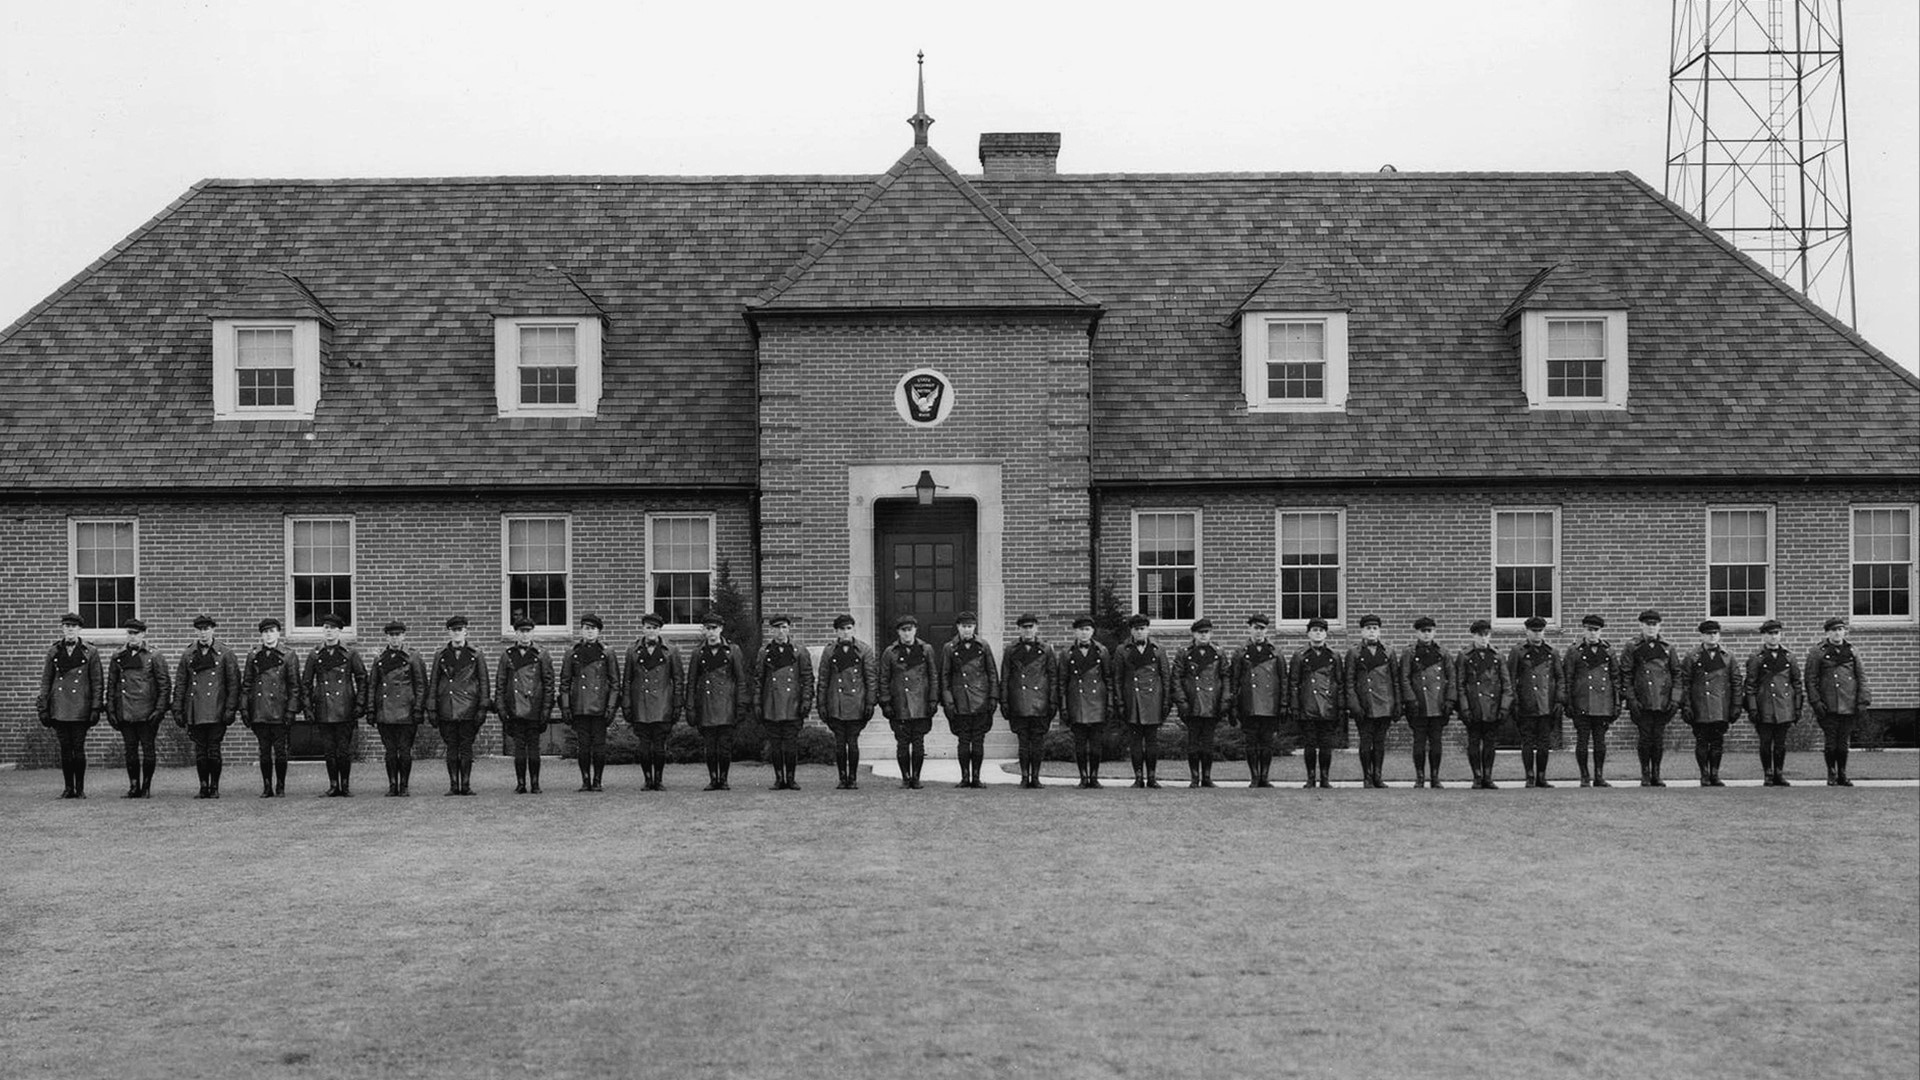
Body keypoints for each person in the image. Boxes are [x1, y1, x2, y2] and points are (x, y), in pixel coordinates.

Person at [173, 614, 240, 798]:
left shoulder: (225, 653)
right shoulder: (188, 654)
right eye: (199, 630)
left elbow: (233, 684)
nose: (203, 633)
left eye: (206, 629)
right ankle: (203, 786)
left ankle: (215, 787)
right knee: (200, 751)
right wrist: (178, 709)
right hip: (195, 710)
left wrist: (230, 709)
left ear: (213, 630)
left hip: (217, 710)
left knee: (214, 750)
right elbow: (181, 684)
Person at [38, 612, 104, 799]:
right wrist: (43, 707)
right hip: (59, 706)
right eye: (66, 626)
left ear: (79, 629)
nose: (70, 630)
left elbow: (97, 681)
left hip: (80, 707)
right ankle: (68, 788)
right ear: (62, 628)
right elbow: (46, 681)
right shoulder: (54, 651)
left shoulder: (90, 651)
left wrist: (95, 707)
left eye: (73, 627)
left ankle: (80, 788)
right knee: (65, 748)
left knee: (78, 747)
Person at [303, 613, 368, 797]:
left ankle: (345, 785)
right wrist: (308, 707)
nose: (329, 632)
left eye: (332, 628)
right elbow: (306, 683)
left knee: (343, 750)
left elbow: (362, 678)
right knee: (329, 750)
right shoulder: (315, 655)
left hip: (345, 708)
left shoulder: (350, 654)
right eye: (326, 628)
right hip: (323, 708)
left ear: (340, 631)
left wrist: (359, 703)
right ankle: (333, 785)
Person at [684, 611, 750, 791]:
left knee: (724, 746)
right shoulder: (698, 652)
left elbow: (741, 679)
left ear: (721, 629)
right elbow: (691, 682)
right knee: (710, 746)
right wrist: (690, 706)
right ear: (704, 631)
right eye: (708, 629)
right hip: (706, 705)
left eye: (714, 628)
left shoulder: (732, 651)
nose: (711, 632)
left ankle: (724, 778)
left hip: (726, 705)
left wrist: (741, 704)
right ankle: (713, 778)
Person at [105, 618, 170, 799]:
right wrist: (111, 709)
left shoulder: (154, 656)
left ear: (143, 634)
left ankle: (146, 787)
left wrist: (159, 710)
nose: (132, 637)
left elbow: (164, 685)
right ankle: (134, 786)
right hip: (125, 711)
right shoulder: (118, 656)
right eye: (130, 633)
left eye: (136, 633)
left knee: (148, 749)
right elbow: (112, 685)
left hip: (147, 712)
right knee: (130, 750)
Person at [1806, 616, 1872, 786]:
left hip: (1848, 703)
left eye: (1840, 629)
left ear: (1844, 631)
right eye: (1833, 630)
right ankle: (1831, 773)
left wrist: (1862, 701)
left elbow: (1862, 677)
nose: (1837, 633)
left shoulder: (1852, 651)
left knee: (1843, 743)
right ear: (1827, 632)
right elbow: (1811, 680)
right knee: (1830, 743)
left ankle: (1842, 772)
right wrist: (1816, 702)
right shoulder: (1817, 652)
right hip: (1827, 705)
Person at [429, 615, 490, 796]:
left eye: (460, 630)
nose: (457, 633)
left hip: (468, 708)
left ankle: (466, 784)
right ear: (449, 632)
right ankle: (454, 784)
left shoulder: (476, 654)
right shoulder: (440, 655)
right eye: (453, 630)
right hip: (447, 707)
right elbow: (433, 682)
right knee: (451, 747)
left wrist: (482, 707)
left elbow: (484, 682)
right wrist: (432, 707)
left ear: (466, 631)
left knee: (466, 747)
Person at [240, 617, 301, 798]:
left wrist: (291, 710)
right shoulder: (253, 656)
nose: (268, 635)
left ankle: (280, 785)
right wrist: (244, 709)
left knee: (280, 751)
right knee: (264, 751)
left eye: (272, 631)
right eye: (265, 632)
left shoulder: (289, 655)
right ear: (261, 635)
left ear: (278, 633)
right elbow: (247, 684)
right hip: (259, 710)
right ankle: (267, 786)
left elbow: (294, 686)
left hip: (280, 711)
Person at [560, 613, 621, 792]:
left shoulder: (607, 652)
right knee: (583, 746)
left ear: (599, 631)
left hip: (600, 707)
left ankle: (597, 780)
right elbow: (565, 682)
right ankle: (585, 780)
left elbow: (615, 683)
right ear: (581, 630)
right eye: (586, 629)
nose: (590, 632)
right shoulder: (572, 652)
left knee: (599, 746)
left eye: (593, 629)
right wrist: (565, 706)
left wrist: (611, 707)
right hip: (579, 706)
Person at [1677, 619, 1741, 787]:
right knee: (1702, 740)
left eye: (1715, 633)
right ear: (1702, 636)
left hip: (1720, 705)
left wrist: (1736, 705)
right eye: (1708, 634)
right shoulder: (1692, 656)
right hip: (1700, 705)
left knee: (1718, 741)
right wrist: (1687, 705)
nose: (1712, 637)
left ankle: (1715, 773)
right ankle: (1704, 774)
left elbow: (1736, 682)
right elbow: (1685, 683)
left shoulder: (1728, 657)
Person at [879, 614, 939, 790]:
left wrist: (933, 700)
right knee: (903, 743)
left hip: (920, 703)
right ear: (898, 632)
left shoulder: (926, 649)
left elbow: (933, 676)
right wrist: (885, 702)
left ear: (915, 630)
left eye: (910, 630)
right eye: (903, 630)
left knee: (919, 743)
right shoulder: (890, 652)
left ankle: (917, 777)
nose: (907, 634)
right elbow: (883, 678)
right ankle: (905, 777)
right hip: (900, 704)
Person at [370, 620, 430, 797]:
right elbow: (373, 685)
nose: (394, 639)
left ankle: (404, 785)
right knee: (390, 751)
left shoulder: (413, 657)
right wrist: (371, 709)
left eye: (397, 635)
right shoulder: (380, 658)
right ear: (386, 637)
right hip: (385, 712)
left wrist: (419, 708)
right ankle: (392, 784)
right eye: (391, 635)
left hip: (407, 711)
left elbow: (421, 685)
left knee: (404, 750)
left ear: (403, 636)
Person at [623, 612, 683, 791]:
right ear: (643, 629)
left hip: (662, 704)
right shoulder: (632, 650)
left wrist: (677, 704)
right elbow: (627, 679)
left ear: (659, 630)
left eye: (654, 628)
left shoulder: (670, 650)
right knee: (643, 745)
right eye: (648, 628)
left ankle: (659, 778)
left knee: (659, 745)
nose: (651, 631)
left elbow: (678, 679)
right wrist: (626, 703)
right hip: (640, 704)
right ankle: (647, 778)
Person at [1622, 609, 1681, 787]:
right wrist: (1631, 699)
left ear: (1659, 626)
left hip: (1663, 701)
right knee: (1645, 738)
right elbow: (1626, 674)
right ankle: (1645, 774)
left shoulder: (1668, 648)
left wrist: (1675, 700)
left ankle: (1656, 773)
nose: (1651, 628)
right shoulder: (1632, 647)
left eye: (1654, 625)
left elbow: (1677, 675)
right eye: (1647, 624)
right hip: (1642, 701)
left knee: (1658, 739)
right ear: (1641, 625)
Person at [939, 612, 998, 789]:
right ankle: (965, 777)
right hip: (960, 701)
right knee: (964, 740)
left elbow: (992, 673)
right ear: (958, 627)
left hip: (980, 699)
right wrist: (948, 701)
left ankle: (977, 777)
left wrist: (993, 697)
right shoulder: (949, 648)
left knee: (978, 740)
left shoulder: (983, 646)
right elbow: (945, 676)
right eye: (964, 626)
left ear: (975, 627)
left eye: (970, 626)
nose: (967, 629)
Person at [755, 615, 815, 791]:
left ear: (789, 629)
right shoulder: (764, 652)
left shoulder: (799, 651)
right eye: (776, 628)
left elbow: (807, 677)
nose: (780, 632)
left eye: (784, 628)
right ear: (771, 630)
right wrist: (757, 702)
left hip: (792, 703)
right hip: (772, 703)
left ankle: (791, 778)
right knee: (775, 743)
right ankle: (779, 778)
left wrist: (806, 700)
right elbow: (759, 679)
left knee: (790, 743)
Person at [1562, 614, 1622, 787]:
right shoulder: (1574, 651)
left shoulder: (1609, 651)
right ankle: (1584, 776)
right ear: (1584, 630)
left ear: (1601, 631)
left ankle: (1599, 775)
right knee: (1582, 740)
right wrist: (1569, 702)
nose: (1593, 633)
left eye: (1596, 630)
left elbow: (1615, 678)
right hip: (1582, 701)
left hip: (1603, 703)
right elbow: (1568, 678)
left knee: (1600, 741)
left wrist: (1616, 703)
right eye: (1589, 630)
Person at [498, 615, 555, 793]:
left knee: (534, 747)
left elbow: (549, 684)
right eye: (521, 632)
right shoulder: (507, 655)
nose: (524, 635)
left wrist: (546, 710)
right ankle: (521, 783)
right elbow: (500, 684)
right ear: (515, 633)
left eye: (528, 632)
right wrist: (501, 709)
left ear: (532, 633)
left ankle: (535, 783)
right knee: (519, 747)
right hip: (515, 708)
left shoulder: (542, 654)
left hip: (534, 708)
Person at [999, 613, 1056, 789]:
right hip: (1019, 702)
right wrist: (1005, 702)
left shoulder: (1046, 649)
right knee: (1023, 742)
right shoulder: (1011, 650)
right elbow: (1006, 677)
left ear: (1036, 628)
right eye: (1024, 627)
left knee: (1037, 742)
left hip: (1040, 702)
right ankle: (1024, 776)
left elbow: (1053, 677)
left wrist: (1053, 701)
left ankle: (1036, 777)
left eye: (1031, 627)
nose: (1028, 631)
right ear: (1019, 630)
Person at [1172, 618, 1231, 787]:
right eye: (1200, 633)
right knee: (1193, 742)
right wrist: (1182, 701)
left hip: (1212, 703)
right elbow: (1176, 678)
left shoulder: (1219, 653)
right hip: (1192, 703)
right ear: (1194, 634)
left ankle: (1207, 776)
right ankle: (1194, 777)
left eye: (1206, 632)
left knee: (1208, 742)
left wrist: (1225, 699)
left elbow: (1226, 676)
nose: (1203, 636)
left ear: (1211, 634)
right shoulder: (1184, 652)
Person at [1744, 620, 1802, 786]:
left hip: (1784, 705)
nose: (1773, 637)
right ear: (1763, 636)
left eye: (1776, 633)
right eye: (1769, 634)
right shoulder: (1756, 658)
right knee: (1765, 742)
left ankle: (1779, 772)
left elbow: (1796, 683)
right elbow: (1750, 685)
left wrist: (1797, 707)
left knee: (1781, 743)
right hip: (1765, 705)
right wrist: (1753, 708)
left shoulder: (1789, 656)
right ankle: (1768, 773)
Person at [1344, 614, 1400, 789]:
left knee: (1380, 742)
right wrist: (1354, 705)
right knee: (1365, 741)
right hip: (1364, 705)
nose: (1371, 632)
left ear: (1379, 631)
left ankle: (1378, 775)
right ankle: (1366, 777)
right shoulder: (1354, 653)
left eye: (1375, 628)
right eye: (1368, 628)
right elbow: (1349, 682)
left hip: (1384, 703)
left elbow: (1395, 681)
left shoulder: (1389, 652)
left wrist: (1397, 704)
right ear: (1362, 631)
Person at [1396, 616, 1453, 788]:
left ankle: (1435, 776)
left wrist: (1449, 699)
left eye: (1429, 631)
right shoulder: (1409, 653)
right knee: (1419, 741)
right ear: (1417, 633)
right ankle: (1420, 776)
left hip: (1438, 703)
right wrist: (1410, 699)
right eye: (1423, 631)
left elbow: (1451, 678)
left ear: (1434, 632)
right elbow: (1404, 678)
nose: (1426, 634)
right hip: (1418, 704)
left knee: (1436, 741)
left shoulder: (1443, 652)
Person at [1506, 615, 1562, 788]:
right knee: (1528, 741)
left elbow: (1560, 678)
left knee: (1544, 742)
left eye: (1540, 631)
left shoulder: (1552, 652)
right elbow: (1510, 678)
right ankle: (1529, 776)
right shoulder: (1518, 652)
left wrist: (1559, 700)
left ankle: (1542, 776)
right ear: (1527, 631)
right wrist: (1514, 701)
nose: (1537, 635)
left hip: (1546, 703)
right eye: (1534, 631)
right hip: (1526, 703)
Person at [1289, 617, 1345, 789]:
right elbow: (1294, 683)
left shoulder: (1334, 656)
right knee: (1310, 743)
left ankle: (1325, 778)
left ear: (1326, 634)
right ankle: (1311, 777)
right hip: (1308, 706)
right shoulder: (1299, 656)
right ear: (1308, 634)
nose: (1317, 633)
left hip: (1328, 706)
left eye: (1321, 630)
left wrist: (1341, 706)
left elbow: (1339, 682)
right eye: (1314, 630)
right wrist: (1295, 706)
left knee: (1326, 744)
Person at [1057, 616, 1112, 788]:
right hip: (1076, 701)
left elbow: (1108, 678)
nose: (1084, 633)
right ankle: (1083, 777)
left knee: (1095, 744)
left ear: (1092, 632)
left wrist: (1109, 703)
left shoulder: (1102, 651)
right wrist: (1064, 706)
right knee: (1080, 743)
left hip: (1097, 702)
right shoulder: (1067, 653)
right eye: (1080, 629)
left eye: (1087, 629)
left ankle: (1094, 777)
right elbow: (1062, 682)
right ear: (1075, 632)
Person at [1232, 614, 1284, 788]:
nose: (1259, 632)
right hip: (1248, 703)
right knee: (1251, 741)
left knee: (1267, 742)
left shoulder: (1276, 652)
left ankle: (1264, 776)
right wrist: (1233, 704)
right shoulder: (1240, 653)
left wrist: (1283, 704)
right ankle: (1254, 776)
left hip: (1270, 704)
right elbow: (1235, 680)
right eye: (1255, 628)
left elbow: (1282, 679)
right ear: (1249, 629)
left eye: (1262, 628)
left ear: (1266, 630)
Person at [1454, 619, 1507, 790]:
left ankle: (1488, 776)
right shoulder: (1465, 656)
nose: (1483, 639)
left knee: (1490, 743)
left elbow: (1506, 683)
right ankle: (1477, 776)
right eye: (1480, 635)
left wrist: (1504, 706)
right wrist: (1464, 708)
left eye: (1486, 635)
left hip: (1492, 705)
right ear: (1473, 636)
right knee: (1474, 742)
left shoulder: (1498, 655)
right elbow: (1460, 684)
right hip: (1473, 705)